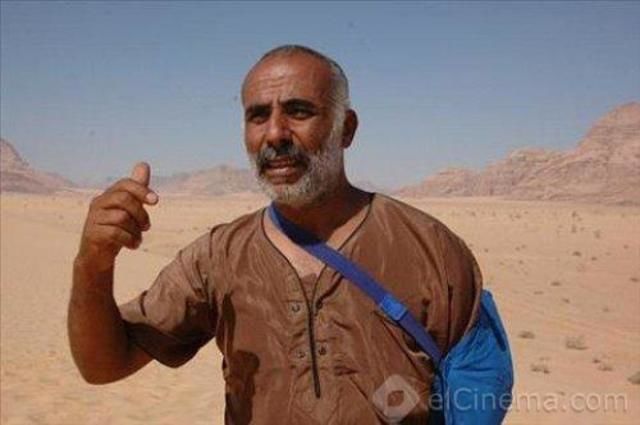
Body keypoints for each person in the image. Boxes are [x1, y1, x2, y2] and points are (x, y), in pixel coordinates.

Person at [68, 45, 482, 424]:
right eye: (258, 116)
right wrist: (93, 263)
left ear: (346, 128)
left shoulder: (432, 249)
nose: (275, 134)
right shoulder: (217, 257)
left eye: (299, 112)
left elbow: (479, 384)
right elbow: (102, 365)